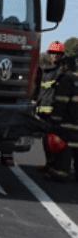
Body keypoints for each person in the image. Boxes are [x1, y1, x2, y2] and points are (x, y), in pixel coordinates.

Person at [46, 54, 78, 182]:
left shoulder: (67, 79)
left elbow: (61, 101)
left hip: (68, 122)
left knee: (65, 147)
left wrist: (54, 120)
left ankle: (60, 173)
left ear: (67, 66)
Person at [36, 41, 66, 174]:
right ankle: (48, 163)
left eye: (57, 54)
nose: (55, 56)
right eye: (53, 53)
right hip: (43, 108)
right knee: (45, 139)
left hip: (55, 111)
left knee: (55, 139)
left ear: (61, 55)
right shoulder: (42, 70)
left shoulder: (62, 72)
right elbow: (38, 89)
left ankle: (54, 165)